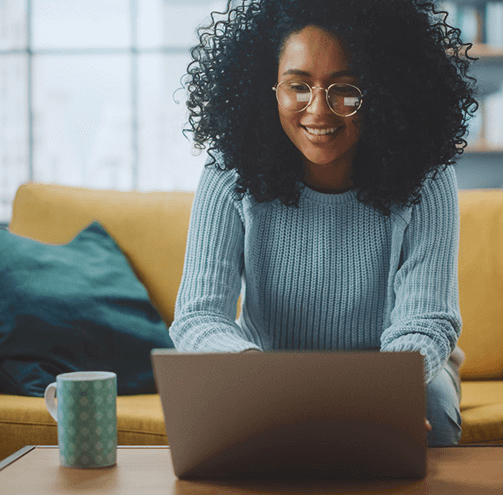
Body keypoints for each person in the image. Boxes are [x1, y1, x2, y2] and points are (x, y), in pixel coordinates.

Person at [169, 0, 477, 446]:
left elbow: (427, 320)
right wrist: (255, 374)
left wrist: (378, 394)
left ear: (384, 91)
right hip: (266, 372)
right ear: (268, 87)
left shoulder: (427, 177)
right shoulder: (228, 172)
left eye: (345, 89)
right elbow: (198, 315)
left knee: (433, 425)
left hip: (391, 371)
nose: (318, 111)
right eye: (297, 86)